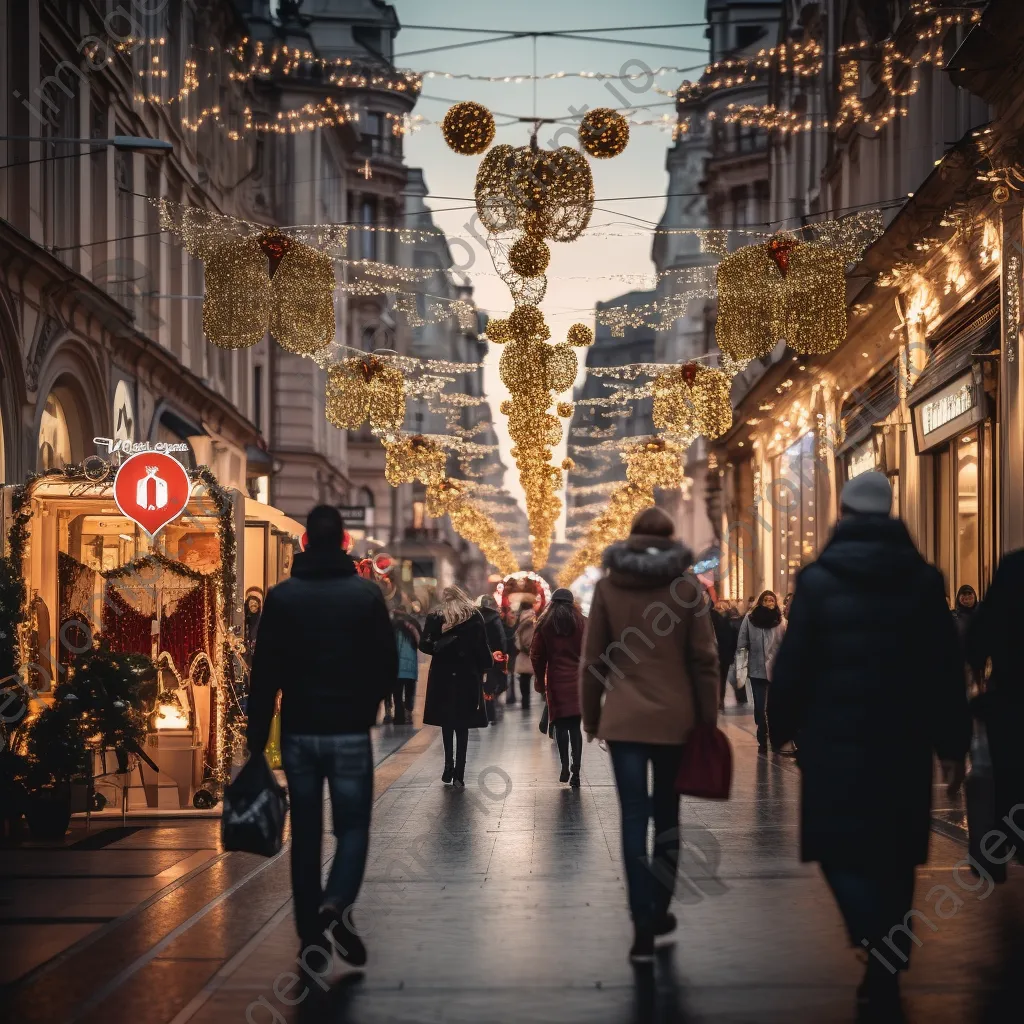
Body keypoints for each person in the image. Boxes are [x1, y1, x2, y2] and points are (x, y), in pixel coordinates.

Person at [769, 472, 970, 1021]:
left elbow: (795, 663)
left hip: (834, 739)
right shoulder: (925, 580)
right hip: (903, 739)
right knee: (898, 850)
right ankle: (888, 948)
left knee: (838, 846)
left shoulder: (816, 580)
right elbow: (945, 669)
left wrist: (779, 725)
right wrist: (953, 744)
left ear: (842, 512)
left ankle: (869, 933)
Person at [246, 505, 396, 969]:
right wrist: (366, 704)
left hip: (299, 731)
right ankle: (337, 903)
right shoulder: (367, 596)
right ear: (345, 543)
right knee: (352, 828)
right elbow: (386, 666)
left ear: (306, 543)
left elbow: (264, 671)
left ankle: (310, 932)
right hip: (348, 730)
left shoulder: (282, 597)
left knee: (306, 832)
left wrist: (255, 740)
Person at [580, 506, 720, 962]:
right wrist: (707, 721)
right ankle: (659, 908)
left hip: (623, 721)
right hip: (676, 721)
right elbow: (704, 661)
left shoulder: (606, 587)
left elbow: (594, 662)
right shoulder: (686, 589)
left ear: (632, 537)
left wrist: (590, 717)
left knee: (632, 817)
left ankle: (640, 919)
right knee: (668, 816)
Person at [967, 551, 1024, 868]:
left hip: (1012, 700)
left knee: (1010, 778)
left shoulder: (1014, 569)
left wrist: (977, 669)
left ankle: (1004, 842)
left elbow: (980, 632)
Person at [420, 586, 492, 787]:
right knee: (463, 724)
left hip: (443, 674)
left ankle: (448, 765)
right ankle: (460, 771)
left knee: (447, 721)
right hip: (467, 674)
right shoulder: (473, 615)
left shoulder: (436, 615)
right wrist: (486, 666)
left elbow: (424, 644)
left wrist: (439, 645)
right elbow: (482, 647)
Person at [530, 587, 586, 786]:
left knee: (560, 725)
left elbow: (537, 655)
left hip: (556, 680)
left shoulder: (545, 624)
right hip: (578, 680)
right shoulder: (583, 623)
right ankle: (576, 771)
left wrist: (538, 679)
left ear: (552, 602)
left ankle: (564, 767)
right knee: (575, 727)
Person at [736, 590, 787, 753]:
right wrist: (742, 662)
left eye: (771, 599)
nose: (769, 602)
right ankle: (762, 734)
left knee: (773, 706)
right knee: (760, 706)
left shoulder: (780, 621)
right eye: (766, 599)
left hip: (776, 669)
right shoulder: (750, 619)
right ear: (760, 602)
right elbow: (742, 641)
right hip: (757, 669)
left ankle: (773, 736)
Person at [476, 595, 508, 723]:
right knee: (492, 684)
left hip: (478, 656)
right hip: (494, 656)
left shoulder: (475, 618)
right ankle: (491, 714)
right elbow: (501, 638)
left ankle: (479, 714)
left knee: (479, 684)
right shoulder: (495, 618)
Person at [392, 605, 421, 725]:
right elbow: (421, 643)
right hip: (410, 667)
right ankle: (408, 714)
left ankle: (398, 717)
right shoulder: (413, 625)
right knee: (410, 691)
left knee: (397, 693)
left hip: (396, 667)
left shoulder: (392, 627)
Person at [710, 599, 738, 711]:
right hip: (724, 654)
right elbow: (734, 639)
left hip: (717, 653)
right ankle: (720, 699)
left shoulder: (711, 619)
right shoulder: (729, 621)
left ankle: (718, 699)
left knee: (717, 677)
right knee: (722, 677)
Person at [514, 605, 537, 711]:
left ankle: (525, 702)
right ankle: (527, 701)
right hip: (531, 657)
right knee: (531, 679)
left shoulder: (519, 628)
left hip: (523, 658)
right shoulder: (534, 627)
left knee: (524, 682)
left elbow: (517, 643)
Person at [501, 606, 519, 704]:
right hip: (505, 655)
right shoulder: (502, 626)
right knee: (507, 676)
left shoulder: (518, 626)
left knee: (512, 676)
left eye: (515, 613)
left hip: (514, 655)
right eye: (512, 613)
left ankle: (512, 696)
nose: (514, 615)